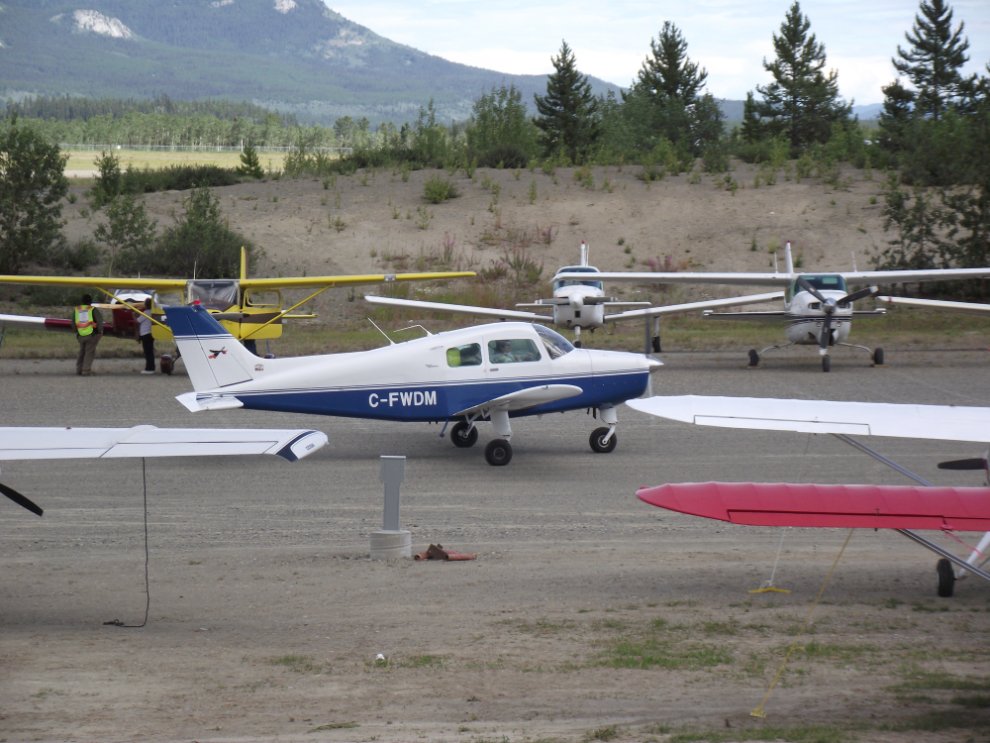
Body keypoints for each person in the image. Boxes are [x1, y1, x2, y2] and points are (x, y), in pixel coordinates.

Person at [73, 293, 103, 376]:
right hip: (91, 335)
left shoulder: (77, 309)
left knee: (81, 352)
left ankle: (79, 369)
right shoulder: (93, 309)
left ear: (82, 301)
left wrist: (77, 332)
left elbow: (73, 323)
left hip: (80, 335)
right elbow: (99, 322)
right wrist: (100, 332)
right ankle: (86, 370)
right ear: (90, 301)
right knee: (89, 352)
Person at [134, 298, 155, 374]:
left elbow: (137, 321)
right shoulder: (152, 312)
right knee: (150, 351)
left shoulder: (146, 312)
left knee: (147, 352)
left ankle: (149, 368)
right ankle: (151, 367)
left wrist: (133, 316)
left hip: (145, 334)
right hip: (151, 334)